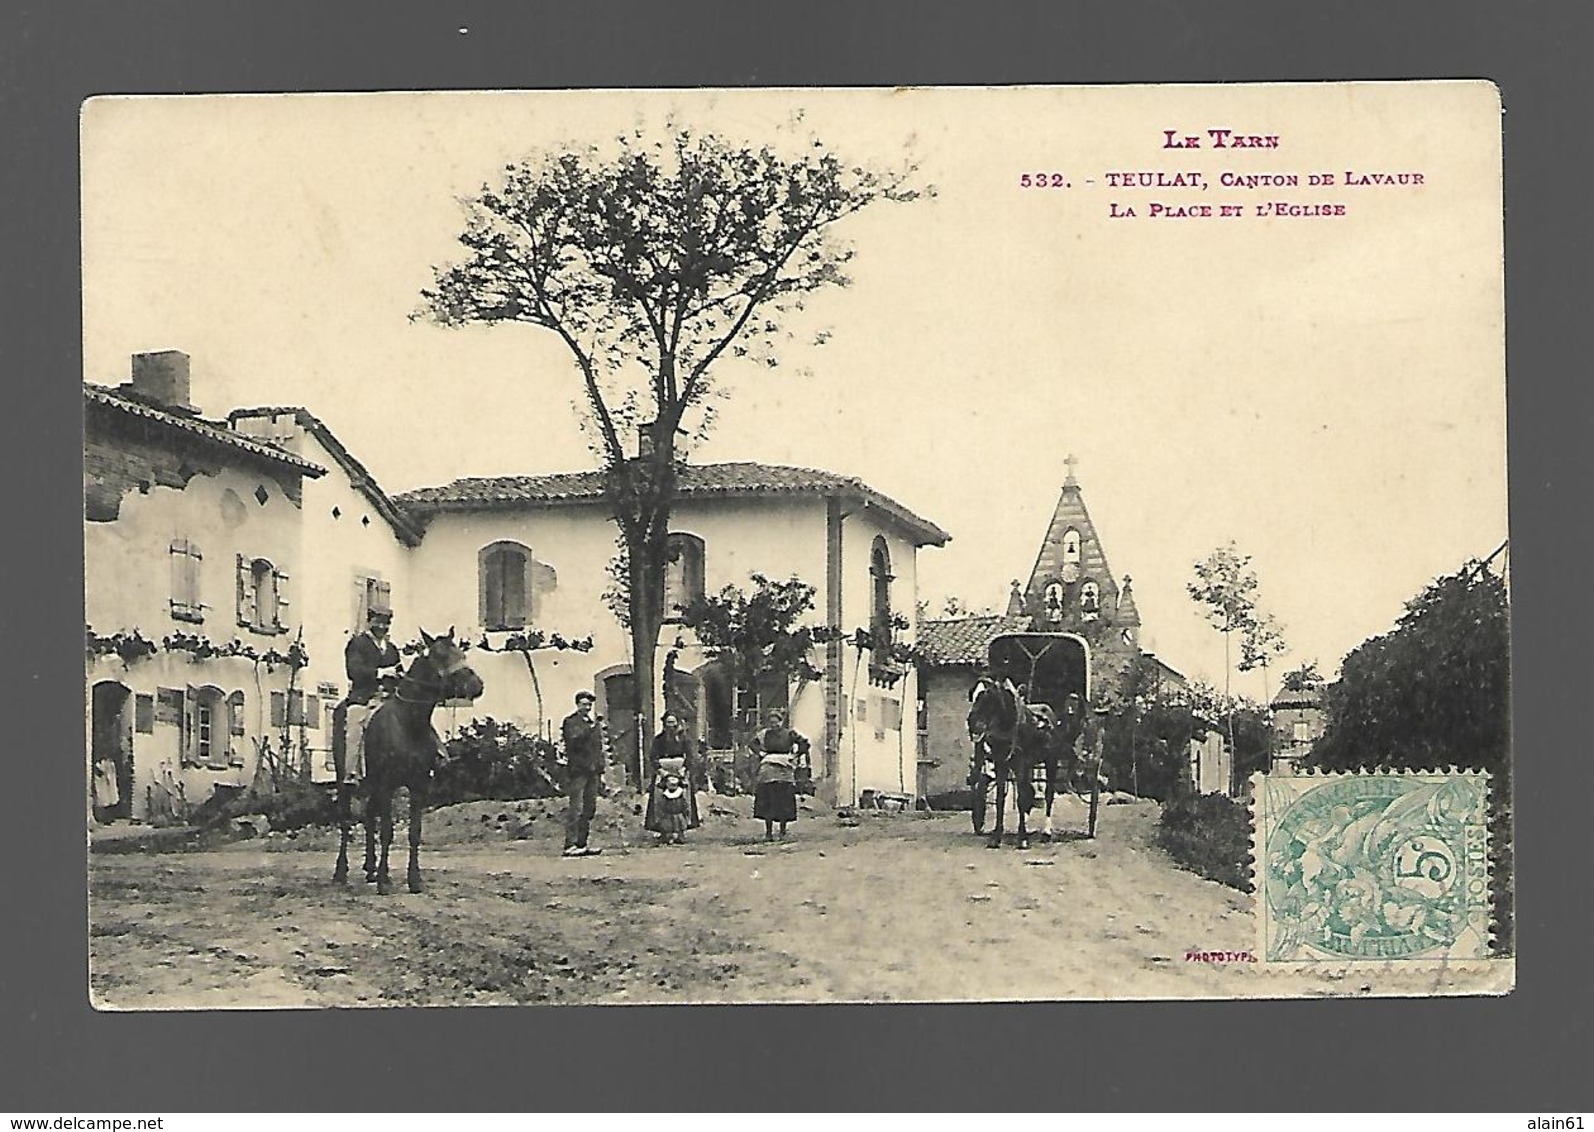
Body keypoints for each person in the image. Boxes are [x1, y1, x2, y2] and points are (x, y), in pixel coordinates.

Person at [334, 607, 401, 783]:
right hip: (363, 697)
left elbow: (398, 670)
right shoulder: (357, 644)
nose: (382, 626)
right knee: (355, 725)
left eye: (386, 623)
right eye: (378, 622)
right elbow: (353, 670)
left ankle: (436, 757)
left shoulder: (392, 648)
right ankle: (351, 771)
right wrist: (380, 672)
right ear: (369, 622)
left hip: (389, 697)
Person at [560, 690, 606, 857]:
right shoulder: (571, 722)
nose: (587, 707)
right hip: (579, 770)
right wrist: (592, 728)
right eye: (584, 704)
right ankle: (570, 844)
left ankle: (582, 843)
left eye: (589, 705)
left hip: (593, 770)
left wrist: (601, 766)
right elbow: (575, 740)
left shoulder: (591, 724)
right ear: (577, 704)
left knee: (589, 808)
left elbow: (597, 747)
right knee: (576, 807)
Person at [753, 709, 809, 841]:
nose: (774, 725)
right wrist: (760, 753)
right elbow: (753, 744)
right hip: (768, 769)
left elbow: (805, 743)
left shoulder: (789, 734)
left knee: (784, 799)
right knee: (768, 799)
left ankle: (783, 830)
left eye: (776, 722)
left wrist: (795, 756)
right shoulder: (764, 734)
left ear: (781, 722)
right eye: (771, 722)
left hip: (784, 770)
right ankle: (768, 832)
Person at [644, 712, 701, 842]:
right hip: (663, 771)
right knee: (661, 801)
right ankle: (663, 831)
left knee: (682, 801)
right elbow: (652, 757)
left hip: (680, 771)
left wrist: (684, 769)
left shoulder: (684, 739)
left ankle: (681, 830)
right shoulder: (658, 739)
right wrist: (660, 770)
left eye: (673, 722)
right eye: (668, 722)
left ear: (677, 723)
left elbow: (691, 755)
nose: (671, 725)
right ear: (664, 723)